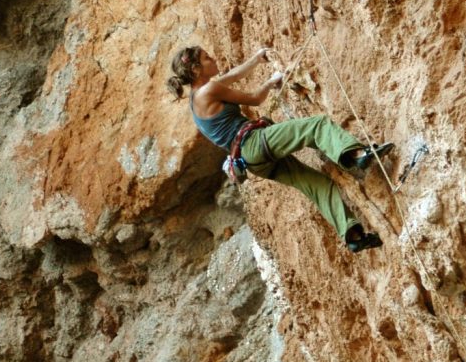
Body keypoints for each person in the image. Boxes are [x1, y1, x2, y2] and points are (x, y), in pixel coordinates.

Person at [168, 45, 393, 253]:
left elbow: (233, 76)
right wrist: (271, 82)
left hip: (252, 162)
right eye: (207, 58)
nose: (213, 58)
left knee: (317, 185)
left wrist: (256, 59)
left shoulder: (197, 98)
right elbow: (255, 99)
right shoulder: (209, 89)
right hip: (254, 142)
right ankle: (357, 155)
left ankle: (353, 235)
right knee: (318, 125)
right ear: (196, 69)